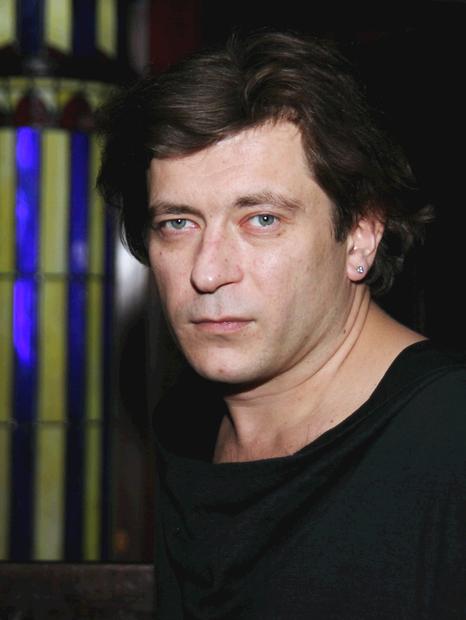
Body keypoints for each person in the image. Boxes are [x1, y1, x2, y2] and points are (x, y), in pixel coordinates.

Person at [97, 31, 466, 619]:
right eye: (178, 224)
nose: (207, 272)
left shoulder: (449, 443)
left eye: (262, 219)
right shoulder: (187, 430)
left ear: (361, 235)